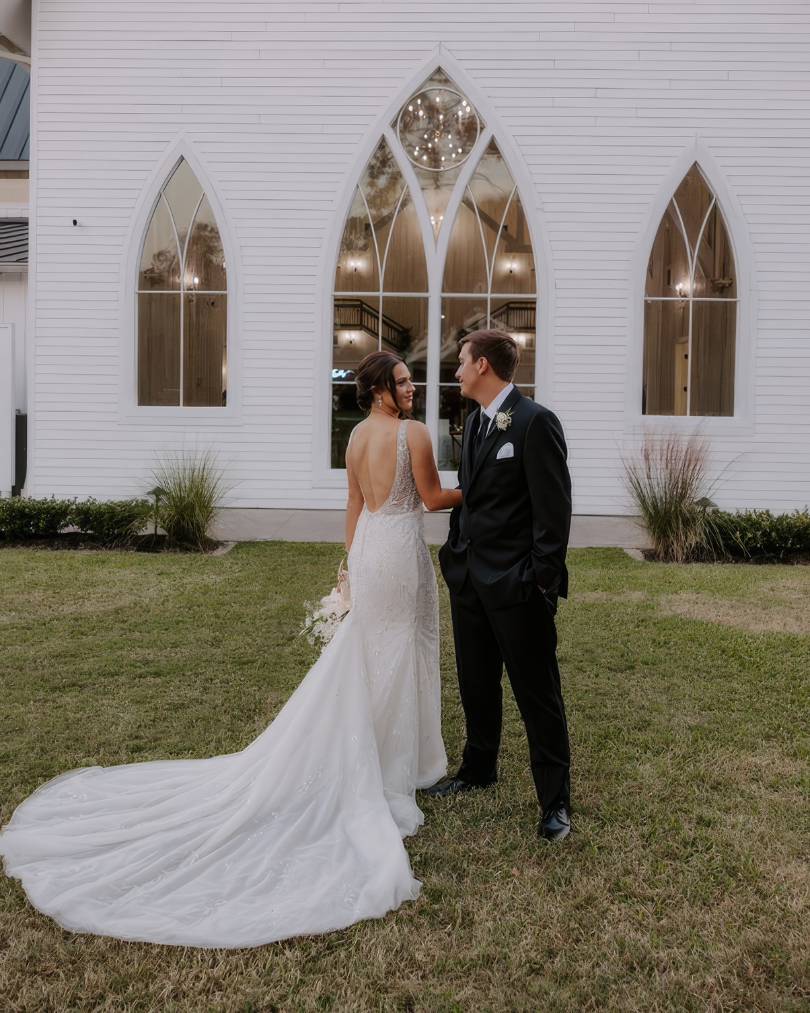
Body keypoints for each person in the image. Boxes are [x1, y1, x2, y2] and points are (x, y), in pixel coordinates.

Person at [0, 351, 460, 948]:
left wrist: (352, 564)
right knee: (399, 655)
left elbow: (353, 507)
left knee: (374, 655)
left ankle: (383, 755)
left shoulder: (352, 441)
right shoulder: (413, 434)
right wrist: (474, 488)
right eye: (400, 381)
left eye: (408, 381)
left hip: (372, 550)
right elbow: (427, 498)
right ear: (378, 390)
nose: (411, 388)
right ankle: (397, 769)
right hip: (399, 550)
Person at [432, 330, 573, 842]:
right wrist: (458, 553)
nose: (457, 372)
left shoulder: (536, 423)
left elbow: (553, 514)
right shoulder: (472, 424)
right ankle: (478, 769)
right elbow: (472, 498)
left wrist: (539, 582)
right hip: (469, 578)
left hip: (517, 587)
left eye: (463, 363)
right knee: (475, 682)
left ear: (485, 366)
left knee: (538, 693)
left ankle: (555, 801)